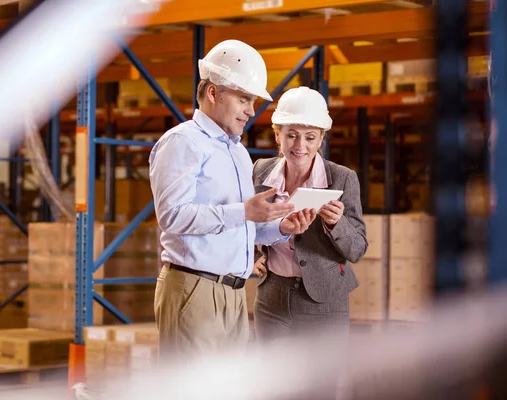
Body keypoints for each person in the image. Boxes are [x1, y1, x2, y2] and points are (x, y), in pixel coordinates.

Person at [148, 40, 315, 361]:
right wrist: (243, 211)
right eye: (243, 99)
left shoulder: (236, 151)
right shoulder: (183, 142)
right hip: (194, 288)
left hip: (235, 293)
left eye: (252, 101)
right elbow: (172, 216)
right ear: (213, 93)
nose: (251, 111)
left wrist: (281, 226)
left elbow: (241, 226)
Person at [251, 86, 368, 343]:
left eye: (310, 137)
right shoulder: (260, 171)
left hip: (323, 301)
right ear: (277, 135)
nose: (300, 146)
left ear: (321, 139)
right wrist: (254, 256)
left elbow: (358, 248)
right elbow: (249, 222)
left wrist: (337, 223)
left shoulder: (342, 178)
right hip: (272, 298)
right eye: (291, 135)